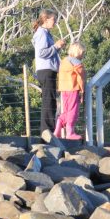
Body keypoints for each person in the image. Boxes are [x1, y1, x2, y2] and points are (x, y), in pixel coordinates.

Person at [32, 9, 65, 137]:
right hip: (46, 70)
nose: (55, 23)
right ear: (46, 19)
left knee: (50, 100)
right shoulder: (42, 33)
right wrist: (56, 46)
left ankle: (48, 130)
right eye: (53, 20)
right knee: (48, 100)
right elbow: (42, 53)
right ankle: (47, 131)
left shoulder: (46, 33)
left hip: (48, 70)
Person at [55, 42, 86, 140]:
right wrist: (82, 91)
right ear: (78, 52)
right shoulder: (76, 62)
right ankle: (70, 132)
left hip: (64, 89)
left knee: (67, 109)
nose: (83, 55)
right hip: (73, 88)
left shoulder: (64, 61)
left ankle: (57, 129)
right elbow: (81, 77)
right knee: (73, 110)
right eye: (82, 53)